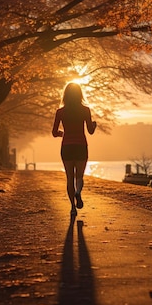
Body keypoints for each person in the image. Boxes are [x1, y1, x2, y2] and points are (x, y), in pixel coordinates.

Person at [52, 82, 97, 217]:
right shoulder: (85, 110)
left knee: (69, 177)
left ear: (65, 95)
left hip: (66, 147)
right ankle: (78, 192)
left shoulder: (60, 112)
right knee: (79, 176)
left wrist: (63, 134)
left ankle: (72, 207)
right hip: (81, 146)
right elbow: (90, 131)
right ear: (80, 95)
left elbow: (54, 132)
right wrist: (94, 125)